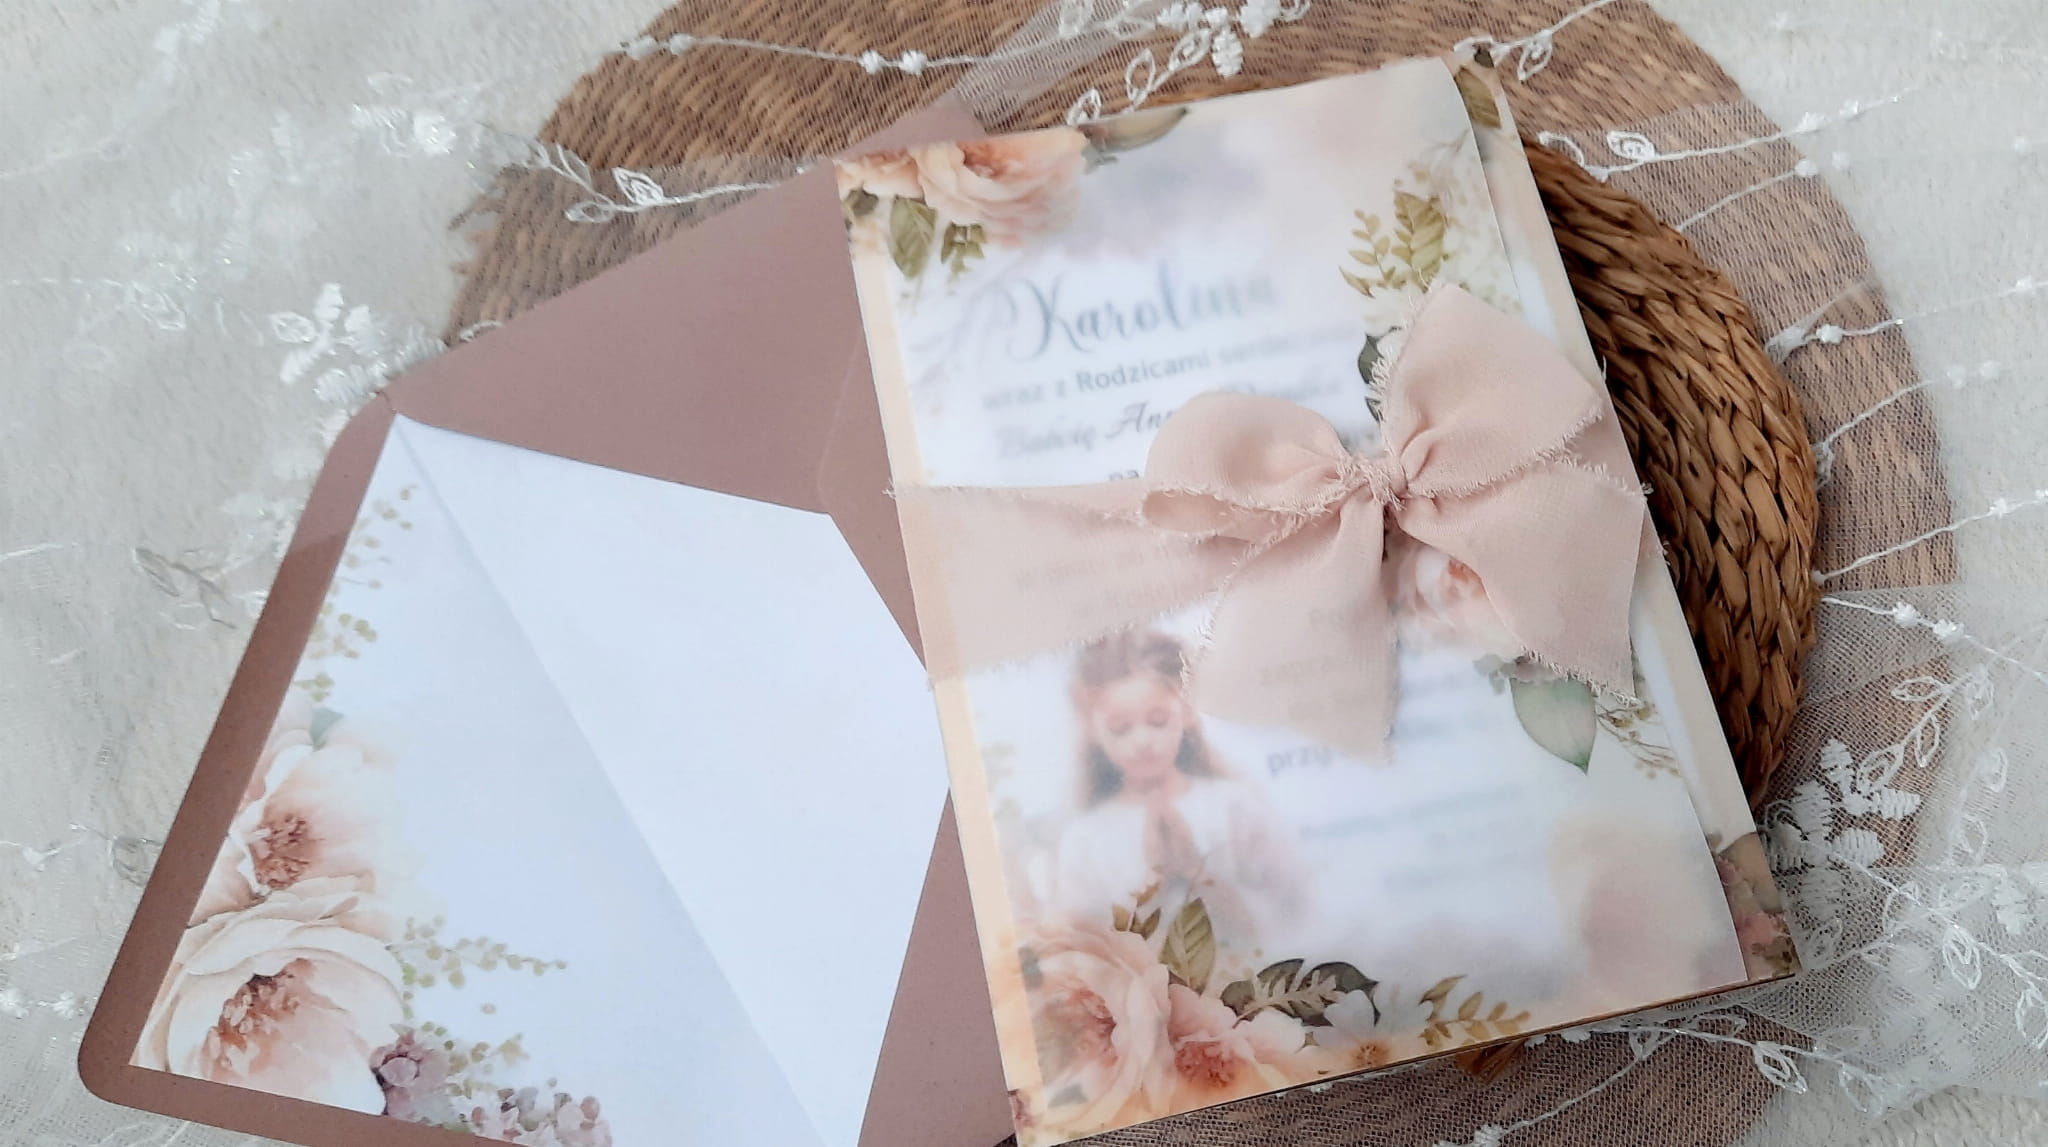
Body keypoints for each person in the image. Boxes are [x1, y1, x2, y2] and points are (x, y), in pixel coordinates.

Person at [1049, 630, 1304, 963]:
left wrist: (1198, 872)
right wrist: (1154, 883)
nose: (1142, 740)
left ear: (1186, 711)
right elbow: (1085, 949)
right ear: (1091, 728)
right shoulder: (1085, 839)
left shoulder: (1233, 806)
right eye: (1121, 728)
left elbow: (1294, 912)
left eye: (1157, 721)